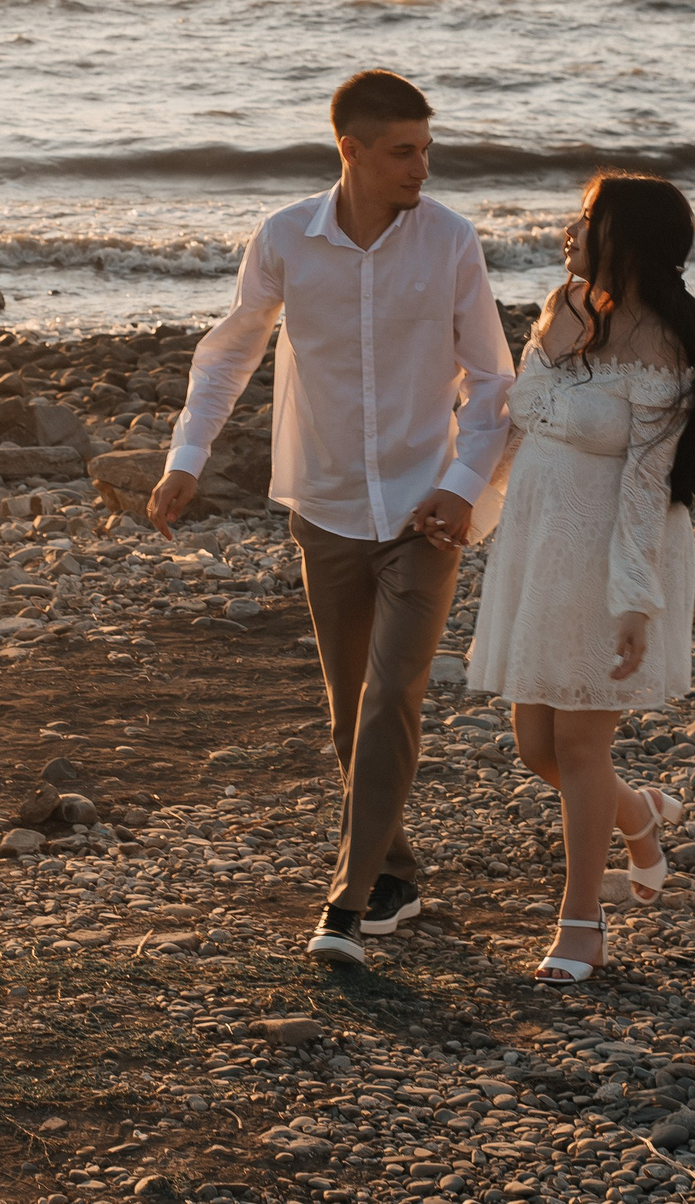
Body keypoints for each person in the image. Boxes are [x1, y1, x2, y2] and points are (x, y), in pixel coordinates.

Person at [149, 69, 513, 967]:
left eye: (427, 150)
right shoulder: (284, 239)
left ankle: (345, 906)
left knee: (395, 694)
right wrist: (185, 461)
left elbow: (495, 380)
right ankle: (397, 872)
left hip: (427, 510)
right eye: (403, 152)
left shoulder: (451, 242)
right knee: (351, 715)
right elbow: (230, 352)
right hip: (326, 506)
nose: (421, 168)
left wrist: (464, 485)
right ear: (349, 149)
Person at [467, 172, 695, 983]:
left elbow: (648, 484)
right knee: (535, 743)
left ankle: (582, 923)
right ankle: (640, 813)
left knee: (579, 743)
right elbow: (526, 411)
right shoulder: (566, 307)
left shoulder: (667, 343)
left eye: (586, 219)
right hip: (541, 542)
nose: (569, 231)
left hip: (609, 545)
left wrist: (634, 599)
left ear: (629, 237)